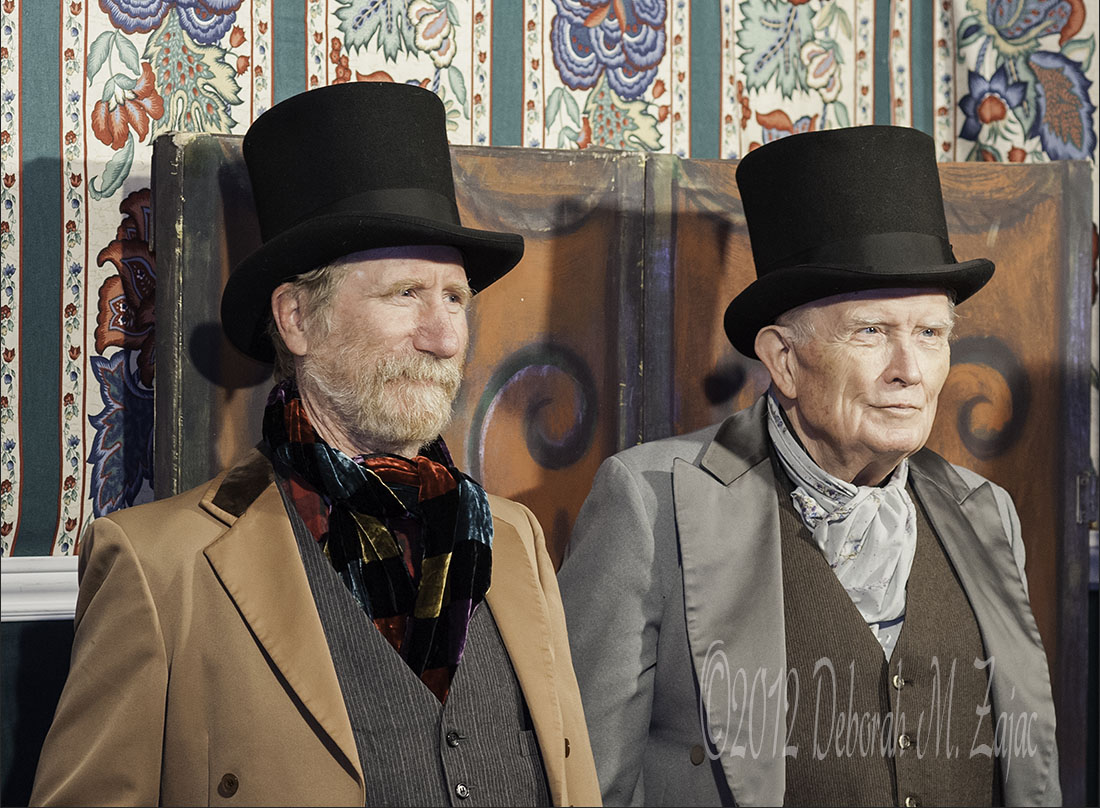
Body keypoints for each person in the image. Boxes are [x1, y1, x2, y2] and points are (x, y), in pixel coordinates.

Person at [32, 82, 601, 807]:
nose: (446, 336)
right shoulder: (159, 570)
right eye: (406, 295)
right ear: (297, 319)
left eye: (455, 298)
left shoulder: (514, 541)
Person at [557, 126, 1060, 807]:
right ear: (785, 360)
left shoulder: (985, 512)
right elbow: (587, 785)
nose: (909, 372)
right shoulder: (652, 504)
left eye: (930, 335)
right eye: (871, 332)